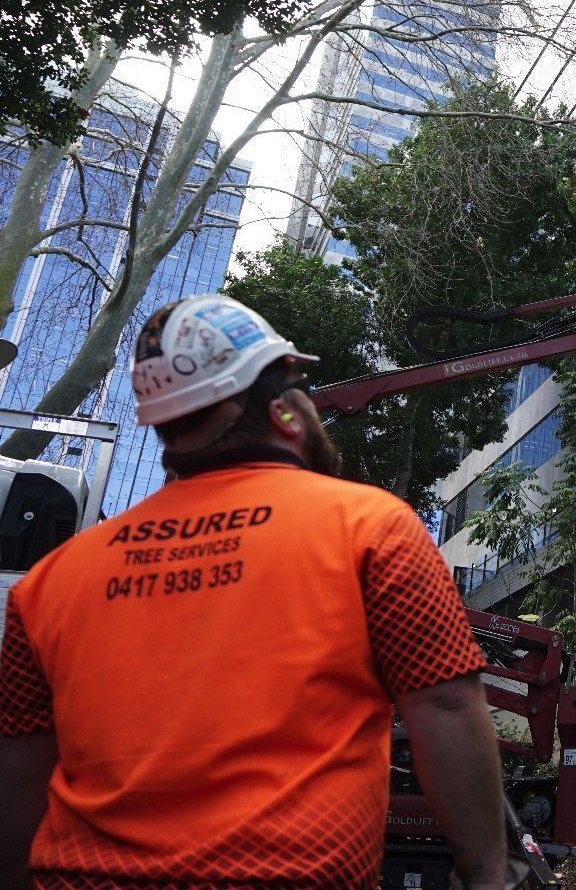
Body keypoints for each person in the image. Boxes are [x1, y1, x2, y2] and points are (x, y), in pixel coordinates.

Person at [0, 294, 511, 889]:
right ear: (285, 412)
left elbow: (18, 767)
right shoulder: (368, 527)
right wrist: (488, 877)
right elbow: (447, 707)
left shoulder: (54, 579)